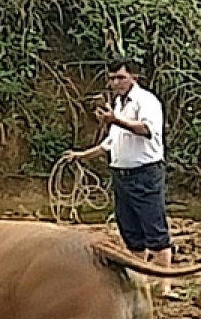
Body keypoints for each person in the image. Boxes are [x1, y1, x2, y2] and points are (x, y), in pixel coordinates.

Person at [63, 58, 176, 298]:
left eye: (120, 77)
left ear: (134, 77)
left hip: (144, 172)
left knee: (154, 227)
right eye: (112, 78)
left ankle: (165, 284)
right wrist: (82, 155)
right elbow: (110, 143)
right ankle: (140, 280)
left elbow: (146, 130)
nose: (115, 82)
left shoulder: (146, 101)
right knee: (131, 230)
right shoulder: (118, 104)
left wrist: (116, 120)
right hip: (121, 174)